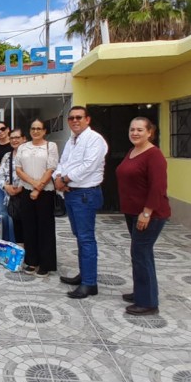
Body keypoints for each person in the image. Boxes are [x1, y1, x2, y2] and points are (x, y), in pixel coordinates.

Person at [116, 117, 171, 315]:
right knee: (140, 254)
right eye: (132, 129)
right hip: (132, 212)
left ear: (150, 132)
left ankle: (148, 302)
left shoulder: (154, 155)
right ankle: (142, 291)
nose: (135, 133)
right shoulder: (133, 151)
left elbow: (158, 187)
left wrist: (147, 212)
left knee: (141, 254)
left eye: (140, 130)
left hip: (149, 214)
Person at [54, 106, 108, 298]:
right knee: (79, 236)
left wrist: (65, 179)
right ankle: (85, 275)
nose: (75, 121)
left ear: (87, 119)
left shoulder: (95, 139)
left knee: (86, 238)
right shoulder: (72, 140)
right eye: (71, 118)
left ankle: (89, 283)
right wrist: (58, 176)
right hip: (72, 193)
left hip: (85, 194)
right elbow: (63, 162)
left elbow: (88, 166)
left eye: (79, 117)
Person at [14, 119, 59, 277]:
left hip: (45, 192)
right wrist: (33, 185)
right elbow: (18, 170)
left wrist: (38, 188)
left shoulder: (50, 146)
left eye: (39, 128)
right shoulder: (22, 147)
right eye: (33, 128)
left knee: (45, 228)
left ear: (44, 131)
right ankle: (32, 261)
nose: (36, 131)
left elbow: (50, 168)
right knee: (29, 227)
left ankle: (46, 264)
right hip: (27, 190)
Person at [0, 128, 26, 247]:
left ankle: (32, 257)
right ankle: (21, 255)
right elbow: (0, 175)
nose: (14, 140)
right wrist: (5, 186)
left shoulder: (30, 155)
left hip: (27, 195)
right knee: (17, 226)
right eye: (12, 138)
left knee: (29, 227)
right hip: (12, 198)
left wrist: (21, 188)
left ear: (24, 139)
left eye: (17, 137)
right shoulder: (7, 156)